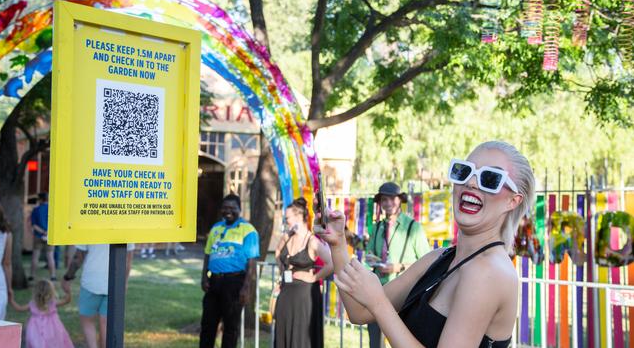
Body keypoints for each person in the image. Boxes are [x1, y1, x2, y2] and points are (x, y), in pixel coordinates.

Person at [320, 141, 534, 347]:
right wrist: (337, 244)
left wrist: (378, 302)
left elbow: (374, 306)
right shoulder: (439, 258)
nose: (471, 183)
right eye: (464, 171)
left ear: (512, 201)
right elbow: (359, 312)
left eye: (490, 178)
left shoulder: (489, 271)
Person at [364, 182, 431, 348]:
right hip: (378, 293)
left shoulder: (413, 228)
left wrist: (398, 267)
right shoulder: (378, 227)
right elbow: (369, 256)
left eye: (392, 199)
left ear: (399, 200)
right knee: (375, 343)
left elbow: (428, 264)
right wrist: (372, 260)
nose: (388, 203)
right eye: (384, 200)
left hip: (405, 297)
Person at [200, 194, 259, 348]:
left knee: (230, 328)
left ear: (239, 209)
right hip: (214, 282)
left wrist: (246, 287)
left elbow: (251, 262)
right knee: (207, 325)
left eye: (232, 208)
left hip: (234, 283)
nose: (228, 211)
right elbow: (208, 254)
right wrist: (204, 277)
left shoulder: (248, 230)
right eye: (225, 208)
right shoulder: (216, 228)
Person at [273, 197, 333, 348]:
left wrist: (314, 277)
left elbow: (331, 263)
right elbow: (277, 253)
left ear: (299, 217)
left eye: (287, 218)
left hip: (305, 297)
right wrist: (283, 272)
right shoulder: (287, 237)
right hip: (286, 294)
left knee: (301, 339)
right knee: (283, 335)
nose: (285, 221)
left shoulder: (312, 240)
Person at [62, 244, 134, 348]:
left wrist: (67, 277)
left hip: (91, 282)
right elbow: (128, 260)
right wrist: (124, 282)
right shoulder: (127, 228)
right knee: (106, 324)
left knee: (87, 321)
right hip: (114, 284)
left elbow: (78, 257)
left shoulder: (88, 227)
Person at [9, 279, 74, 348]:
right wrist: (68, 292)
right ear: (51, 292)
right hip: (52, 328)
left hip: (35, 329)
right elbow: (67, 300)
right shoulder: (52, 303)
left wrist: (11, 300)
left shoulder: (33, 304)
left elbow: (19, 308)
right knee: (54, 342)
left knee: (36, 343)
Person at [30, 193, 55, 281]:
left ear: (40, 199)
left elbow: (33, 225)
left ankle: (32, 275)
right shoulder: (52, 209)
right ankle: (52, 276)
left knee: (35, 256)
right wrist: (47, 232)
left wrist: (43, 232)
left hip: (38, 235)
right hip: (50, 236)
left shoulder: (36, 210)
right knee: (50, 256)